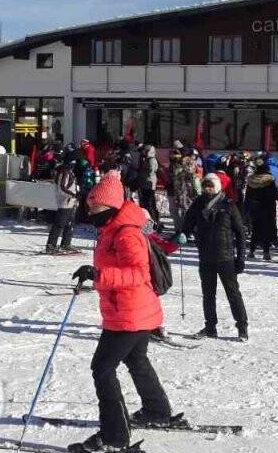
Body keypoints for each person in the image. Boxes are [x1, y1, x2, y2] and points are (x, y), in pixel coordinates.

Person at [69, 171, 181, 452]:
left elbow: (137, 274)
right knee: (137, 360)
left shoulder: (126, 233)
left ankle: (113, 437)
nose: (89, 210)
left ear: (110, 206)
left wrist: (99, 274)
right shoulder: (112, 228)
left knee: (103, 369)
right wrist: (97, 274)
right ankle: (157, 410)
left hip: (129, 313)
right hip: (133, 310)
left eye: (94, 206)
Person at [174, 174, 249, 340]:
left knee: (233, 293)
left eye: (210, 185)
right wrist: (183, 234)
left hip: (226, 257)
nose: (207, 188)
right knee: (208, 294)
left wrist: (241, 258)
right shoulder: (198, 204)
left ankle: (242, 327)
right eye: (205, 185)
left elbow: (240, 234)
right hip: (206, 257)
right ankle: (210, 327)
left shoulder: (228, 205)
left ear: (216, 186)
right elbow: (186, 225)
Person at [244, 163, 278, 260]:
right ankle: (266, 252)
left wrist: (247, 208)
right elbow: (273, 194)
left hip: (254, 208)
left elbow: (247, 196)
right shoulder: (269, 180)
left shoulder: (251, 180)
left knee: (255, 230)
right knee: (266, 231)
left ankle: (251, 251)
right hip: (267, 208)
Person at [46, 158, 80, 254]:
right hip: (65, 202)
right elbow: (62, 188)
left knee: (69, 224)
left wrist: (76, 195)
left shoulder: (69, 172)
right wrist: (72, 195)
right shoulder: (64, 173)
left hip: (71, 202)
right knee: (59, 224)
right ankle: (51, 245)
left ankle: (65, 243)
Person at [137, 145, 161, 229]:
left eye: (144, 151)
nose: (143, 152)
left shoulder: (151, 160)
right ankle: (151, 221)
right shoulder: (146, 159)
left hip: (149, 184)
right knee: (147, 203)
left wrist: (142, 171)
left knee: (150, 204)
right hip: (145, 183)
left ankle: (155, 222)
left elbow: (151, 171)